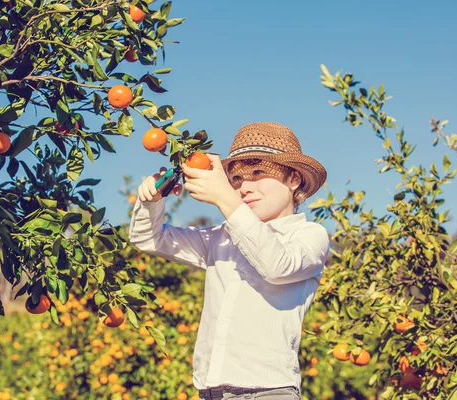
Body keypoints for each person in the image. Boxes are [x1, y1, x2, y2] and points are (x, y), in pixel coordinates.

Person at [129, 122, 330, 400]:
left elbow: (276, 265)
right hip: (210, 393)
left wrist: (226, 198)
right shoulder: (220, 238)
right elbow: (148, 238)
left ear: (294, 179)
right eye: (236, 179)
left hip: (268, 392)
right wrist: (152, 200)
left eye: (258, 173)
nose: (245, 187)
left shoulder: (309, 235)